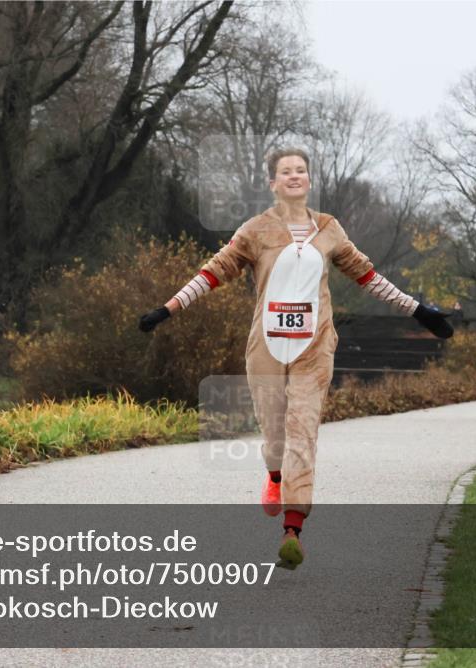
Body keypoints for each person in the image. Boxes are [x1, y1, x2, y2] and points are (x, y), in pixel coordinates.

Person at [138, 148, 453, 569]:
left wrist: (418, 310)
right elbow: (213, 272)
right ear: (273, 183)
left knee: (301, 433)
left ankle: (293, 530)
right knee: (275, 436)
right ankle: (273, 478)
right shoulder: (256, 230)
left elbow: (368, 277)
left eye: (300, 170)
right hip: (265, 347)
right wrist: (169, 308)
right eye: (285, 171)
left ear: (308, 180)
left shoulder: (329, 229)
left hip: (314, 346)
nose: (294, 176)